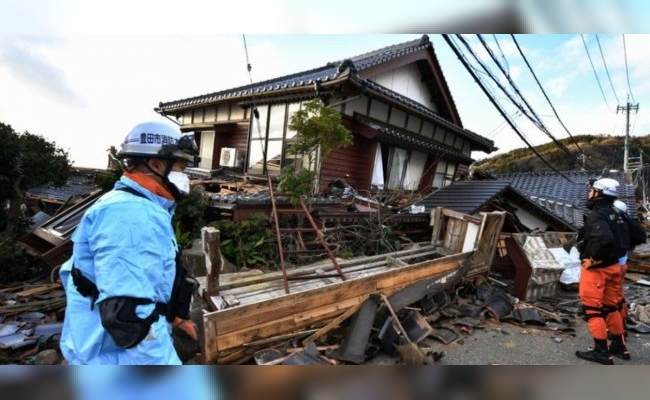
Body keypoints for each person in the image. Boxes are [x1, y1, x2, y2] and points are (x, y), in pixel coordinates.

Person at [59, 120, 201, 365]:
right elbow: (130, 317)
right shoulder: (131, 215)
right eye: (181, 166)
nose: (185, 175)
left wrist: (174, 317)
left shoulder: (143, 207)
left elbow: (149, 283)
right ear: (156, 164)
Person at [575, 178, 644, 364]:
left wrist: (593, 259)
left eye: (591, 190)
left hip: (597, 269)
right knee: (611, 306)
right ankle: (619, 347)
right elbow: (640, 235)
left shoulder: (598, 214)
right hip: (615, 266)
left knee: (592, 309)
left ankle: (601, 352)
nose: (589, 193)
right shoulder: (619, 213)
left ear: (599, 192)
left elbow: (603, 239)